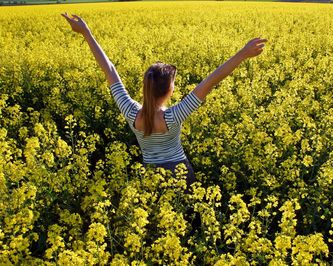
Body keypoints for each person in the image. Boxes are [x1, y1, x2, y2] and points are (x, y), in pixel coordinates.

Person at [61, 13, 266, 191]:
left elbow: (110, 70)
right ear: (169, 90)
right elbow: (211, 80)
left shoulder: (131, 113)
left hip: (150, 177)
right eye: (174, 83)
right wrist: (243, 54)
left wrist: (86, 32)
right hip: (180, 173)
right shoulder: (173, 117)